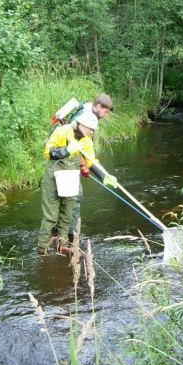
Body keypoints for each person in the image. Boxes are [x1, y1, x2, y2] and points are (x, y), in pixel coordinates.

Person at [37, 110, 117, 256]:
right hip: (53, 177)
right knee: (51, 216)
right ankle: (42, 250)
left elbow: (91, 161)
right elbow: (48, 152)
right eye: (89, 128)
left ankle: (61, 246)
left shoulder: (86, 141)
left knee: (67, 214)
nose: (90, 132)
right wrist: (67, 150)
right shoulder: (62, 131)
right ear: (79, 124)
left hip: (70, 178)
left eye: (92, 130)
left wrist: (104, 175)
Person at [51, 93, 114, 241]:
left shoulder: (87, 110)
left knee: (64, 195)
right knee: (75, 195)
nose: (106, 115)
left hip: (65, 158)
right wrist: (83, 164)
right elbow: (74, 143)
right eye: (105, 111)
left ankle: (58, 229)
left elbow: (84, 148)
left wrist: (102, 174)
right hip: (63, 158)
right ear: (98, 107)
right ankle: (71, 234)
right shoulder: (85, 116)